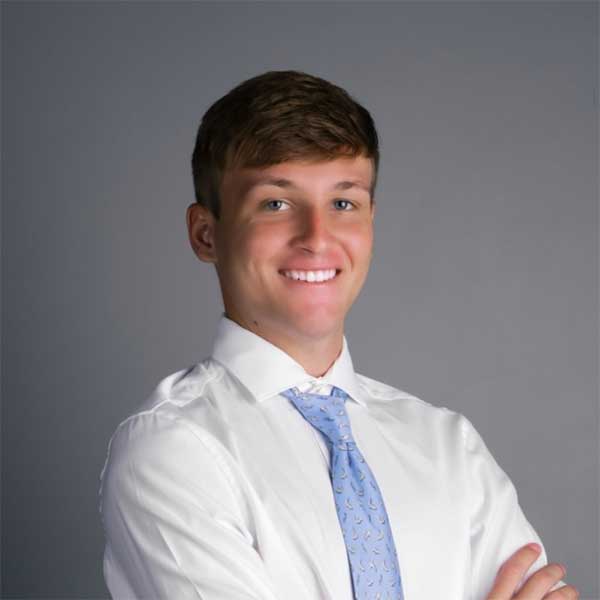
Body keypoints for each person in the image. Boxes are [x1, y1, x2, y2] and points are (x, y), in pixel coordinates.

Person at [98, 70, 577, 599]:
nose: (317, 238)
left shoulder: (448, 446)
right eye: (275, 203)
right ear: (206, 233)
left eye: (343, 203)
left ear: (371, 220)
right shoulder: (173, 450)